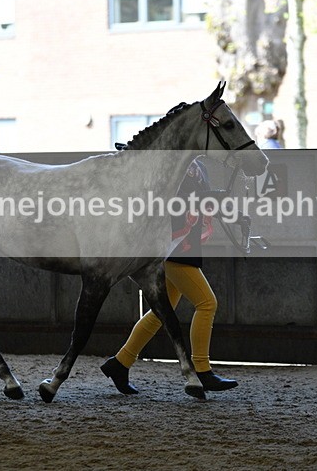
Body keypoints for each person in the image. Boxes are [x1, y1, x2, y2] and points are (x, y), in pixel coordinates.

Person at [100, 159, 238, 394]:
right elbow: (173, 203)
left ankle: (120, 362)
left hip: (185, 246)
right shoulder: (173, 166)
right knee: (207, 303)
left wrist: (217, 201)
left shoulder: (197, 166)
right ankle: (202, 370)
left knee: (160, 313)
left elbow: (197, 200)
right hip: (174, 247)